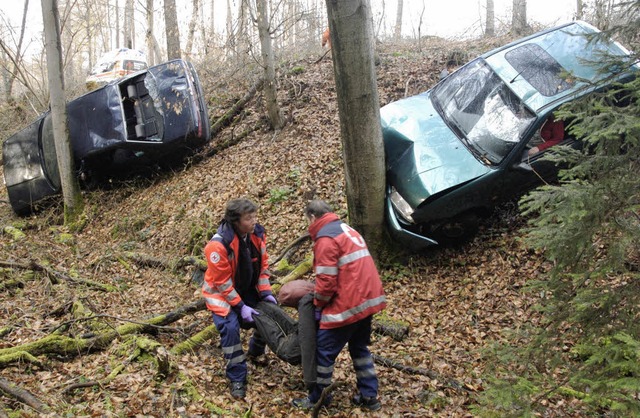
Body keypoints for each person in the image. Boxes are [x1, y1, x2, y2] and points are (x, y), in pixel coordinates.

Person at [292, 200, 386, 411]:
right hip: (367, 300)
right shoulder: (346, 229)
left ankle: (319, 398)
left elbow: (326, 283)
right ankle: (369, 397)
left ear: (313, 217)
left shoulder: (326, 239)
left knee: (324, 351)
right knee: (359, 348)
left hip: (348, 303)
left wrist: (318, 306)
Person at [202, 198, 277, 399]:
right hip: (221, 295)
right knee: (230, 328)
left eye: (255, 216)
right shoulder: (217, 246)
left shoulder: (257, 235)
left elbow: (263, 267)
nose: (254, 221)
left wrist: (266, 292)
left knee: (268, 314)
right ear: (236, 221)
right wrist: (241, 306)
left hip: (245, 288)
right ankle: (237, 377)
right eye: (249, 218)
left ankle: (256, 350)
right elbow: (223, 284)